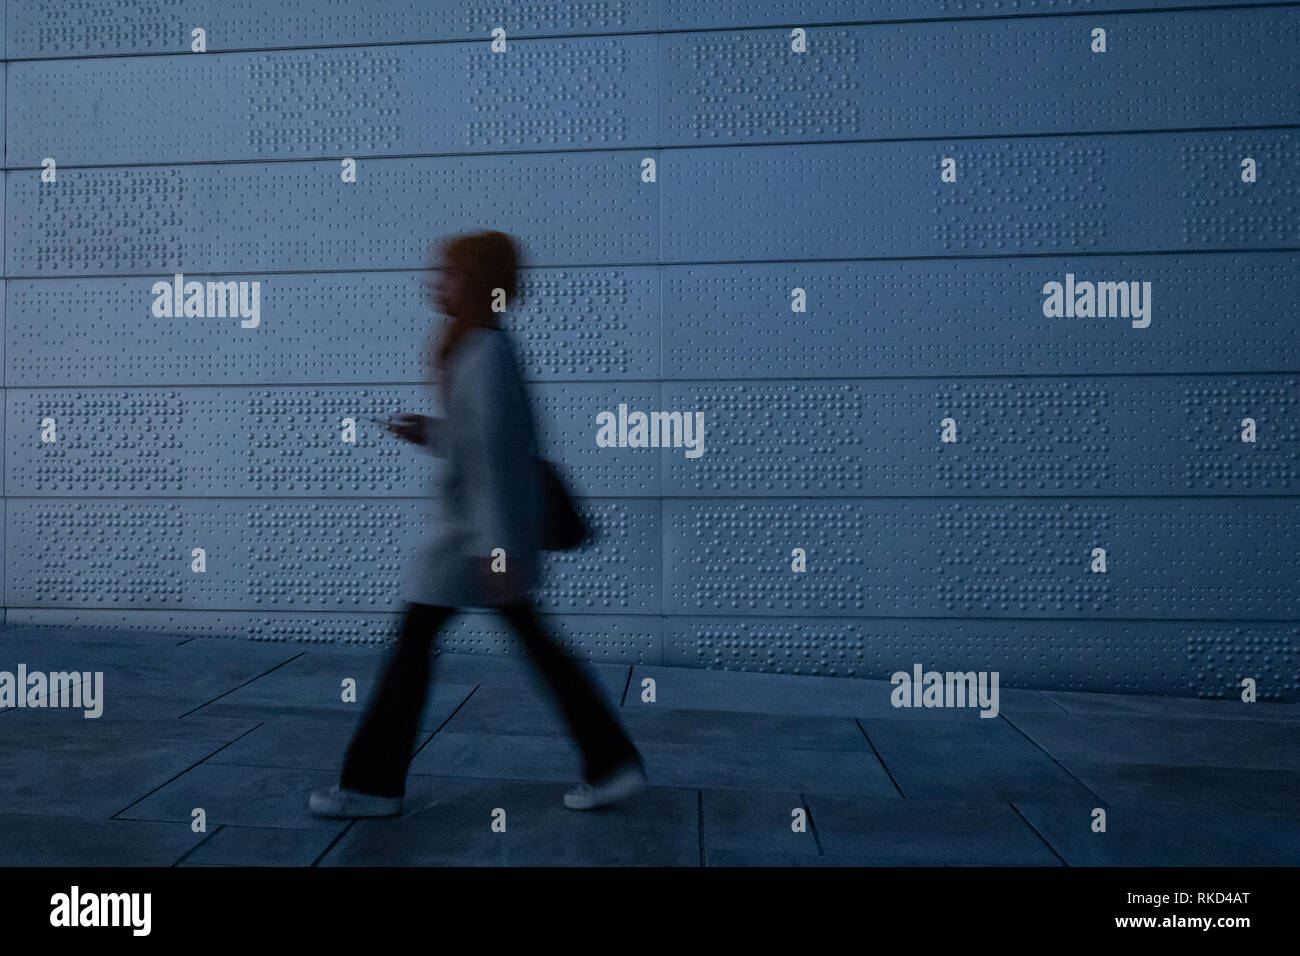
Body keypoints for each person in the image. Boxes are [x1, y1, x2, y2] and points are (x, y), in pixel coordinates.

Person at [310, 230, 645, 818]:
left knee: (421, 645)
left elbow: (498, 461)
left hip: (479, 542)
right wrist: (433, 432)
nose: (434, 281)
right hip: (482, 539)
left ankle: (372, 785)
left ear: (480, 282)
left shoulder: (486, 351)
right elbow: (481, 445)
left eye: (449, 272)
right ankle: (612, 764)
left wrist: (499, 552)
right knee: (533, 648)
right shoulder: (478, 345)